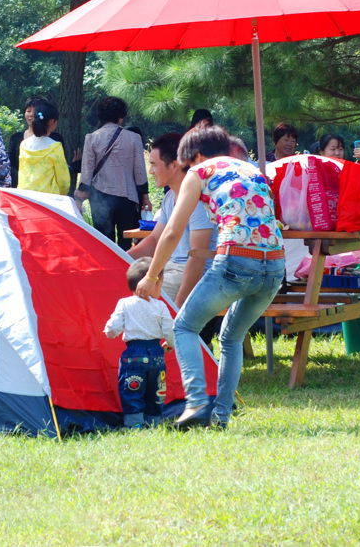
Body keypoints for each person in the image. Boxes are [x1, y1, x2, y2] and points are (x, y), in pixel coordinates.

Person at [135, 125, 283, 429]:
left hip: (236, 261)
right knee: (231, 337)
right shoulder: (250, 168)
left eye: (187, 162)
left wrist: (151, 275)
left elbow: (174, 232)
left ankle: (198, 403)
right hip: (275, 265)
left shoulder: (199, 172)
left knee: (184, 327)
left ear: (197, 156)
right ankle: (220, 417)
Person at [128, 133, 215, 305]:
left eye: (153, 164)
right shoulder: (170, 197)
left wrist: (179, 307)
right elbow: (154, 239)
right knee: (127, 278)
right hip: (170, 268)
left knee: (136, 298)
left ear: (174, 165)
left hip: (198, 275)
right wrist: (120, 258)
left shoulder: (198, 199)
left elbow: (198, 257)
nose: (150, 171)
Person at [104, 258, 174, 429]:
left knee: (132, 390)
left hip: (133, 355)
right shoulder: (160, 306)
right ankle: (153, 423)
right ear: (151, 283)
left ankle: (135, 425)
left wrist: (109, 333)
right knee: (156, 390)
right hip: (157, 353)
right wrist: (169, 343)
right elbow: (171, 329)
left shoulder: (125, 303)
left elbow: (113, 328)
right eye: (161, 284)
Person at [77, 96, 150, 249]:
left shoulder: (91, 138)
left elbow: (86, 174)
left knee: (105, 245)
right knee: (126, 242)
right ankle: (125, 271)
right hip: (127, 198)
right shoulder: (134, 138)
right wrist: (145, 197)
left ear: (101, 115)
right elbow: (140, 173)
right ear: (121, 116)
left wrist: (80, 198)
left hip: (100, 198)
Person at [8, 96, 66, 183]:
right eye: (28, 111)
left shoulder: (56, 139)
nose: (31, 114)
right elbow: (11, 165)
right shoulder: (16, 139)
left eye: (35, 111)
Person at [18, 101, 70, 195]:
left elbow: (21, 174)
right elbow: (63, 181)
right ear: (52, 122)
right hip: (47, 200)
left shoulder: (24, 145)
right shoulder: (55, 147)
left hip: (25, 197)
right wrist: (62, 195)